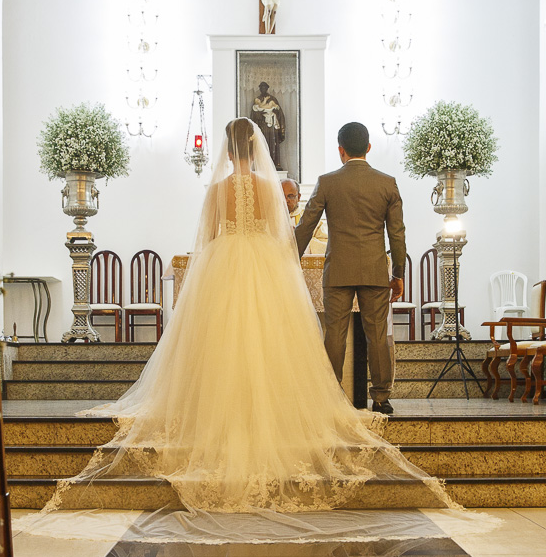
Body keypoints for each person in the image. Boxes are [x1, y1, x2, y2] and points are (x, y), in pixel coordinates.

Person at [68, 117, 454, 517]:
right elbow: (286, 233)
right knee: (305, 337)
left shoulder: (219, 189)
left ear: (229, 150)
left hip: (231, 265)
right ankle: (369, 397)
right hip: (304, 266)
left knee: (229, 338)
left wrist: (258, 250)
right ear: (255, 150)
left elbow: (212, 235)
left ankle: (233, 406)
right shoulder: (280, 187)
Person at [295, 122, 404, 415]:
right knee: (378, 335)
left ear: (340, 150)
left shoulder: (328, 182)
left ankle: (330, 397)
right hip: (374, 270)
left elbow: (306, 225)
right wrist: (399, 273)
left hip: (339, 270)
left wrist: (288, 257)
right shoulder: (387, 183)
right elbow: (397, 234)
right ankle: (381, 398)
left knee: (334, 333)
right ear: (368, 148)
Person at [250, 81, 286, 168]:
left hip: (272, 126)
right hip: (262, 126)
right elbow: (254, 114)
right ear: (260, 89)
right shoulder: (257, 100)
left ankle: (275, 163)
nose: (263, 89)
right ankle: (263, 164)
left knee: (273, 143)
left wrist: (274, 112)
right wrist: (260, 114)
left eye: (264, 87)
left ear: (267, 88)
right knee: (262, 143)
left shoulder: (273, 99)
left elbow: (279, 112)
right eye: (261, 88)